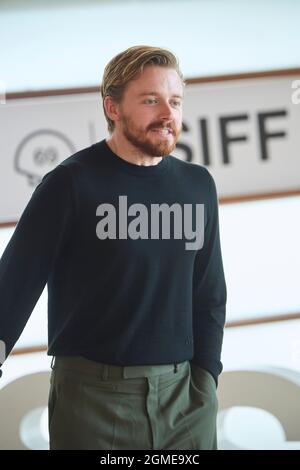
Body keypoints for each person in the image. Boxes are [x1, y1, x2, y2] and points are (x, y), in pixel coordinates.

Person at [0, 45, 227, 450]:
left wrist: (206, 379)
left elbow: (209, 293)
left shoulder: (197, 185)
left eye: (174, 101)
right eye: (151, 100)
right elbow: (14, 285)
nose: (167, 113)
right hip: (93, 402)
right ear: (113, 107)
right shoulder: (70, 183)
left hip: (185, 401)